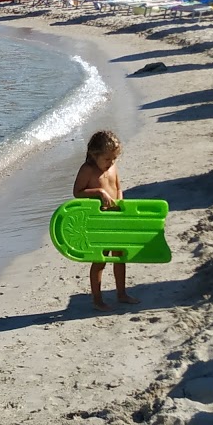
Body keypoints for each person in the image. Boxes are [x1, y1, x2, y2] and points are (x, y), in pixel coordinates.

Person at [72, 130, 138, 310]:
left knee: (120, 256)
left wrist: (122, 205)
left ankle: (122, 293)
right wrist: (99, 192)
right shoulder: (88, 170)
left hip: (115, 218)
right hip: (98, 221)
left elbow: (118, 188)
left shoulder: (113, 168)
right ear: (95, 155)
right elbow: (77, 192)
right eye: (107, 159)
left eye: (114, 159)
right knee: (100, 259)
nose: (111, 163)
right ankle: (97, 299)